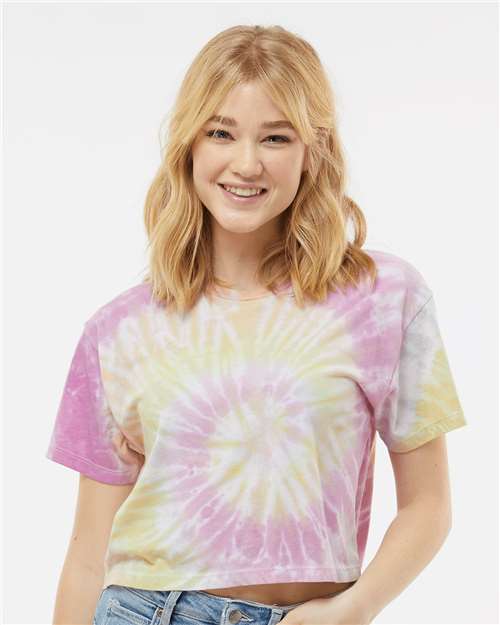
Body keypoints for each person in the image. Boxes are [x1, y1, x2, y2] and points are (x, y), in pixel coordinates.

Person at [46, 24, 467, 625]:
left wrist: (351, 610)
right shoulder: (119, 331)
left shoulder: (383, 299)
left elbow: (429, 507)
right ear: (190, 145)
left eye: (275, 137)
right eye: (221, 132)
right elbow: (88, 555)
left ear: (313, 150)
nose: (246, 164)